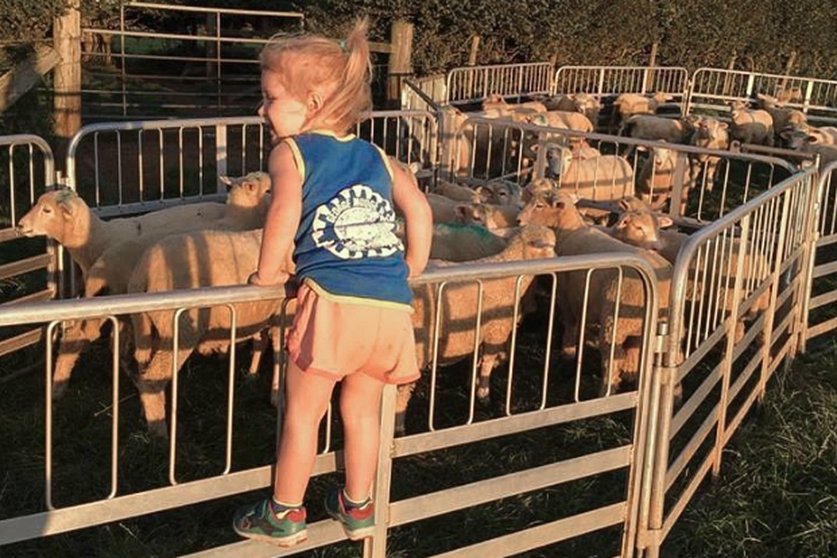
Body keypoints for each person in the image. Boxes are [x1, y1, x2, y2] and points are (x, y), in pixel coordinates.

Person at [232, 18, 433, 547]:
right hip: (391, 308)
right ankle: (358, 505)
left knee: (303, 412)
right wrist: (414, 263)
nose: (263, 110)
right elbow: (418, 207)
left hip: (335, 305)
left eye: (271, 97)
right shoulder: (377, 157)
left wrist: (268, 271)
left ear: (313, 100)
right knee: (363, 411)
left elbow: (284, 212)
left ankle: (284, 512)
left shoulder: (291, 152)